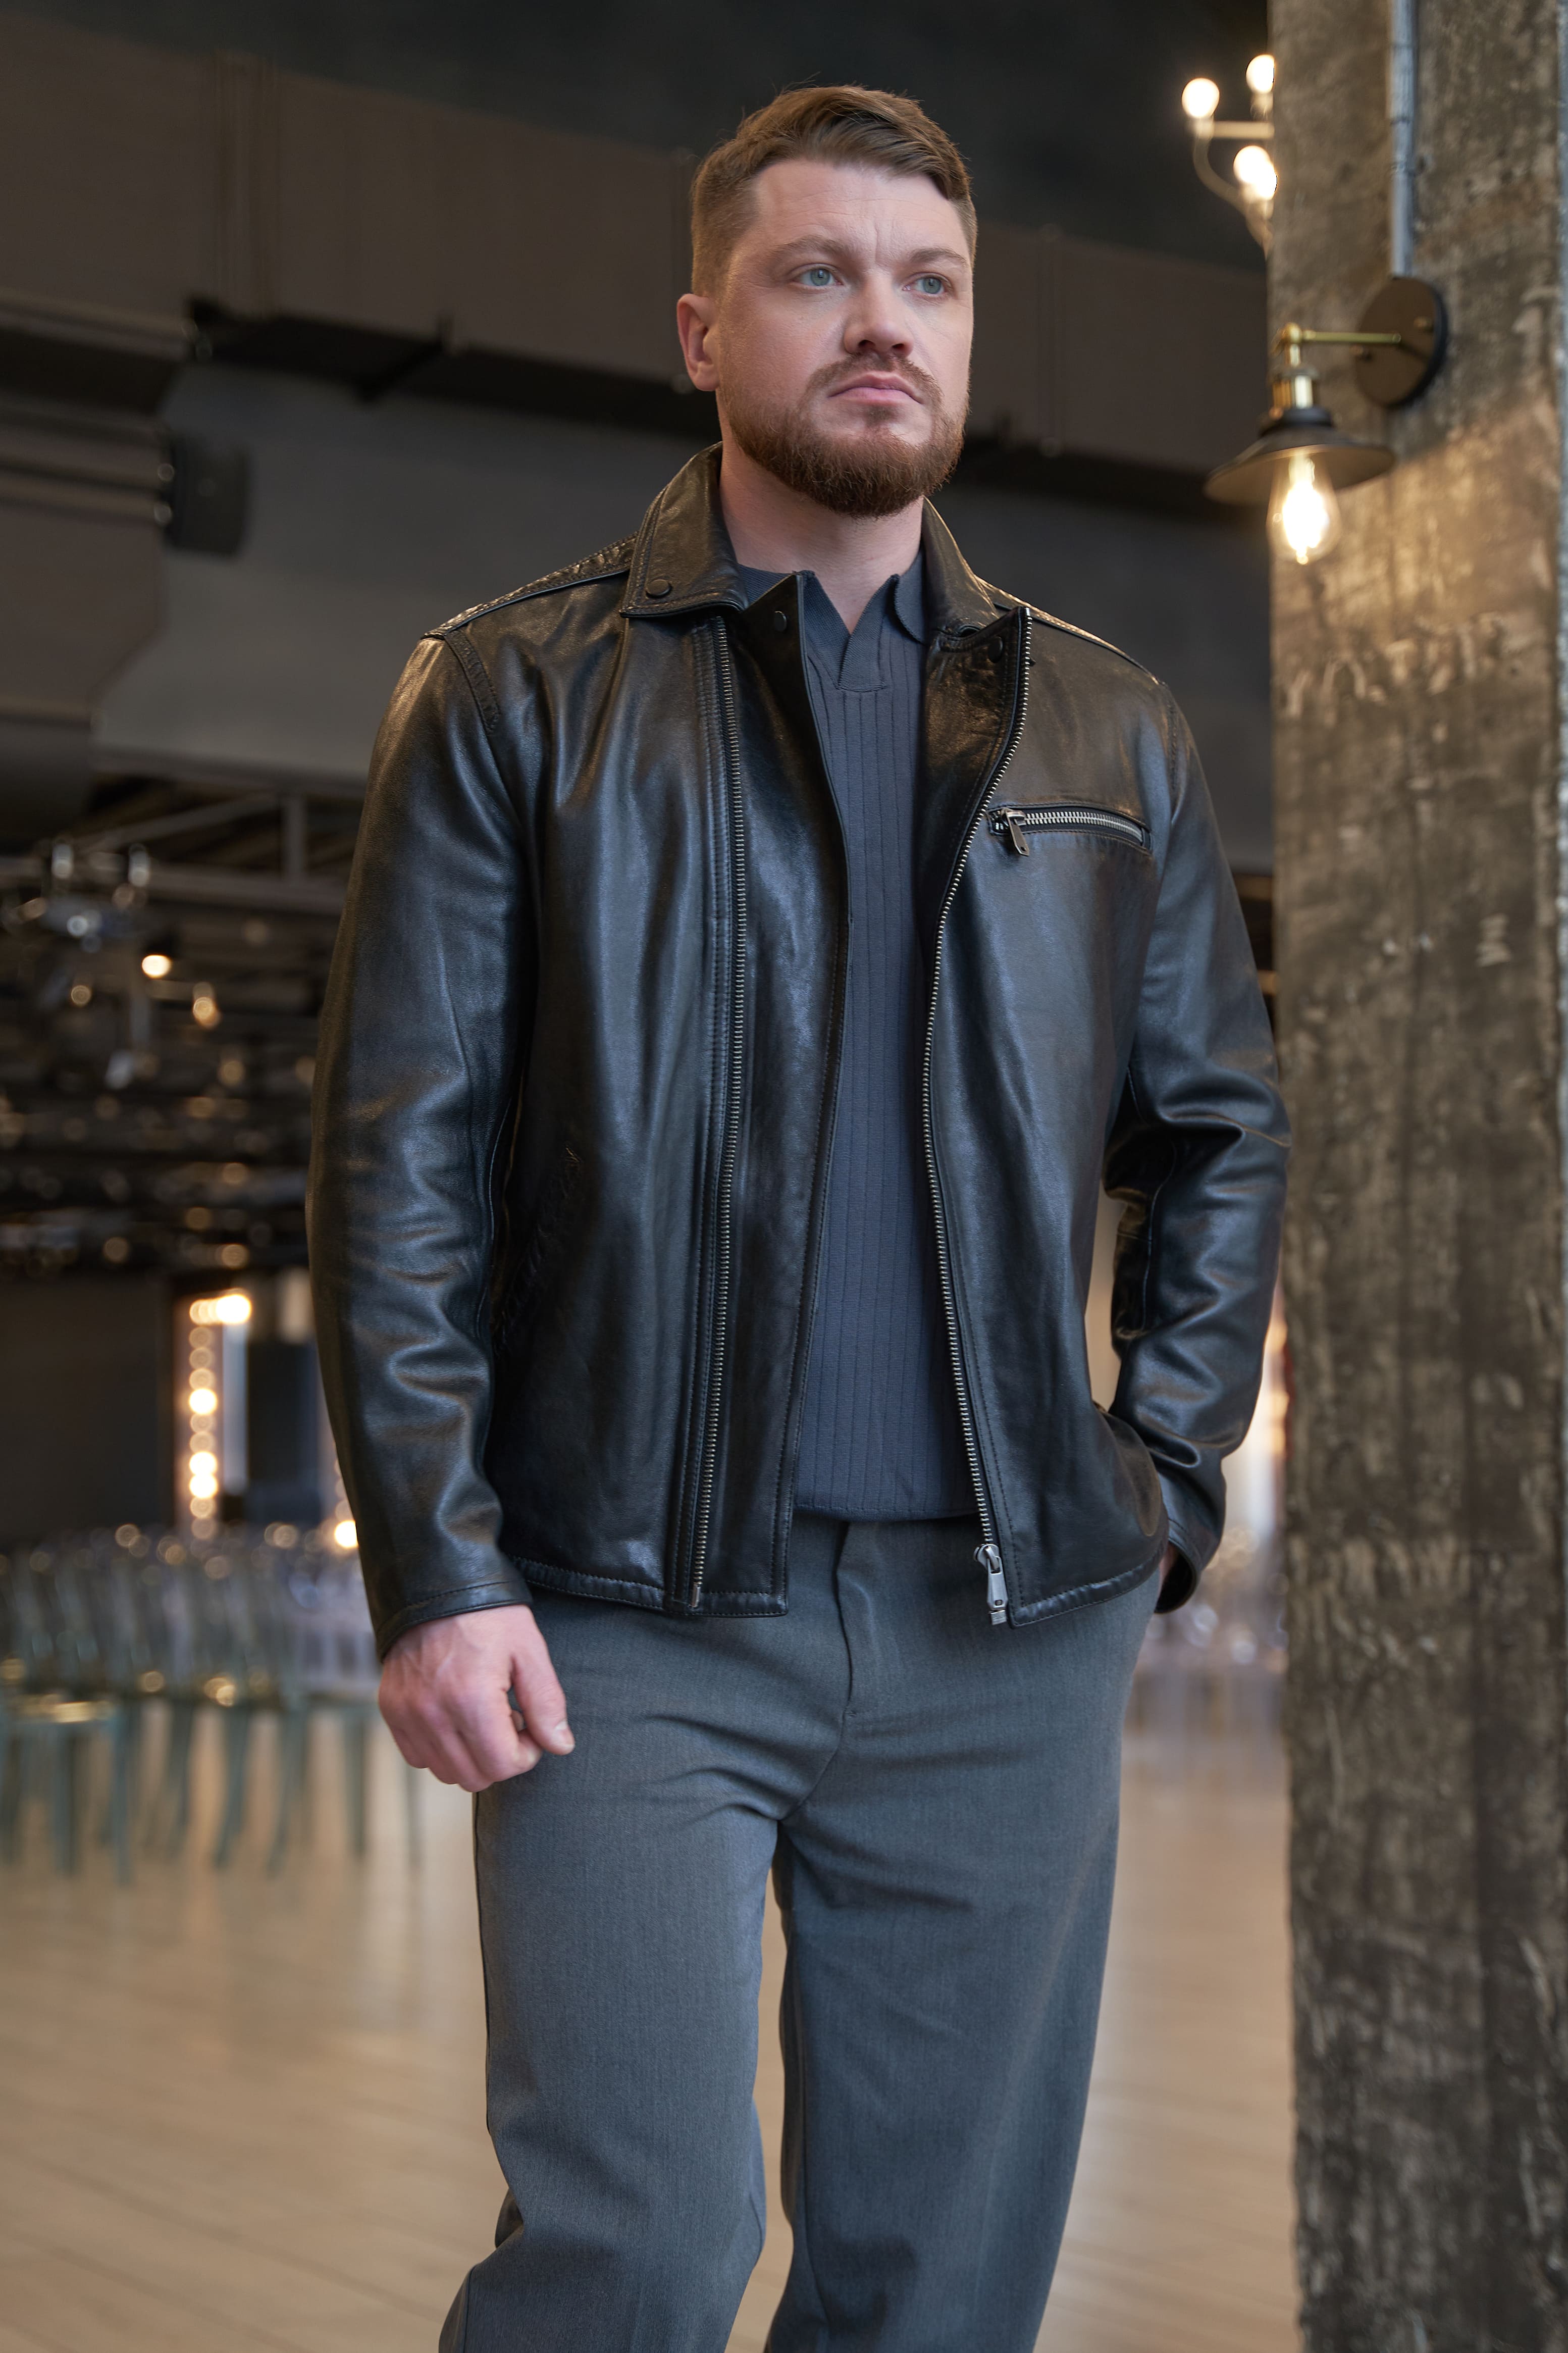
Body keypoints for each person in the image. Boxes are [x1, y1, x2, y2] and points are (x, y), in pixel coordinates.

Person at [309, 83, 1288, 2353]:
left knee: (938, 2289)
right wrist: (439, 1566)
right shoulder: (513, 693)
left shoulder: (1109, 730)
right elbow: (398, 1157)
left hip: (1005, 1624)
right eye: (817, 274)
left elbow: (1218, 1130)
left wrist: (1156, 1481)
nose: (882, 324)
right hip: (623, 1610)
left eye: (929, 283)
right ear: (703, 331)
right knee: (631, 2259)